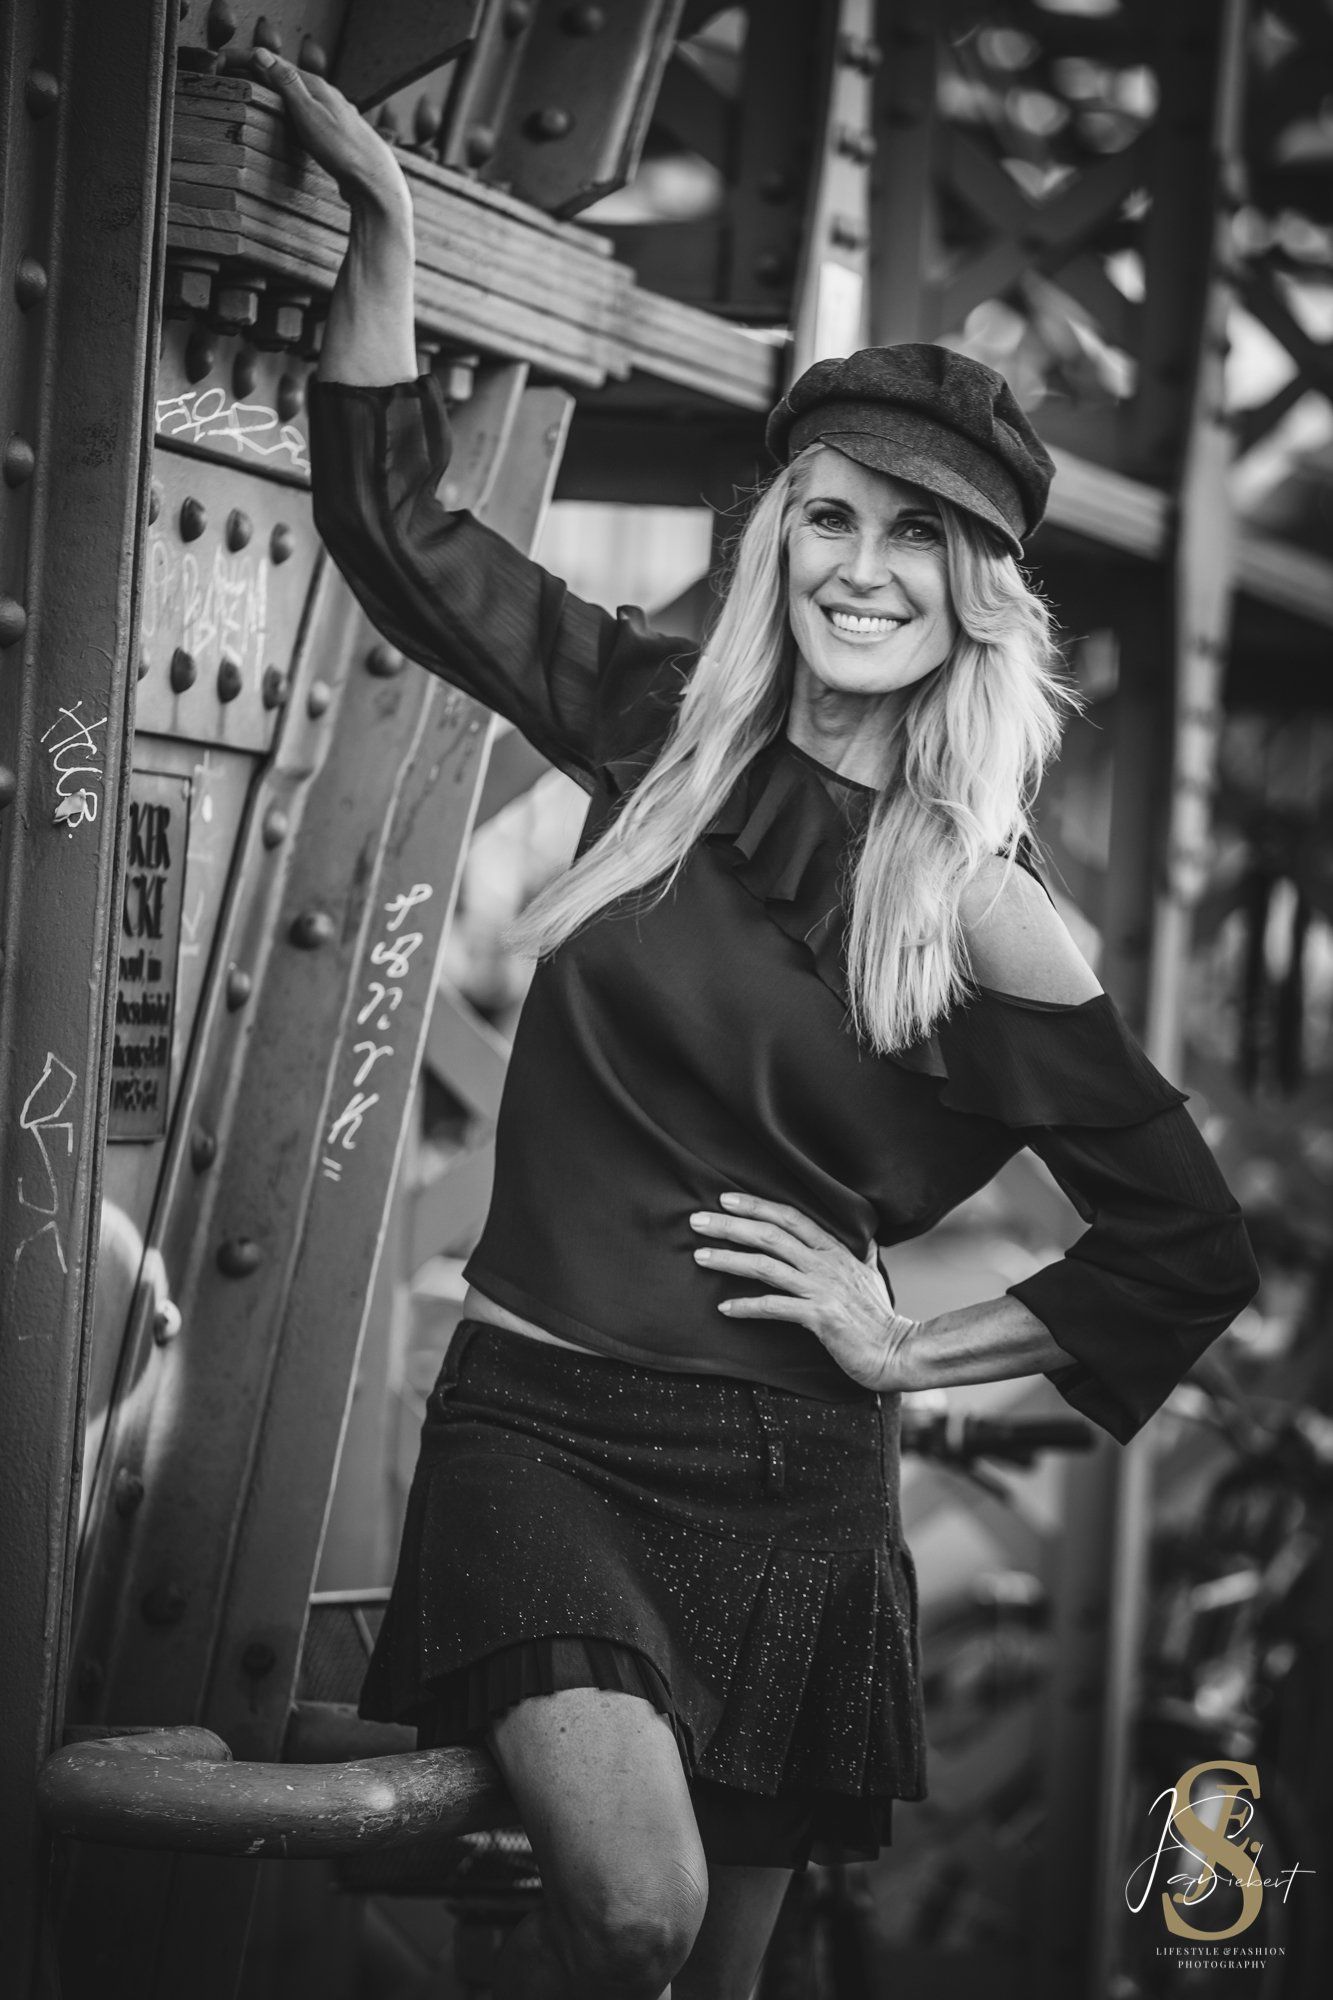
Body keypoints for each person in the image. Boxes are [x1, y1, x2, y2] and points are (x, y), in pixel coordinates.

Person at [256, 49, 1260, 2000]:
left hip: (796, 1484)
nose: (862, 571)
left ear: (979, 596)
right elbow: (395, 526)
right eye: (830, 520)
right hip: (539, 1438)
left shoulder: (982, 914)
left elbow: (1183, 1249)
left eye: (919, 539)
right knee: (633, 1911)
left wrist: (903, 1347)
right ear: (779, 531)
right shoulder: (652, 729)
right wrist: (383, 232)